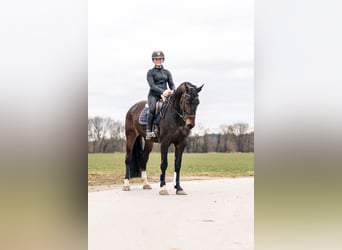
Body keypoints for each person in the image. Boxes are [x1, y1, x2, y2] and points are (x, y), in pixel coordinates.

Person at [146, 50, 175, 139]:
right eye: (156, 59)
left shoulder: (167, 72)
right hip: (154, 95)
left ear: (163, 60)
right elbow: (152, 86)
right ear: (153, 61)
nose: (158, 60)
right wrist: (162, 92)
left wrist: (173, 90)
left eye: (160, 59)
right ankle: (148, 130)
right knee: (152, 109)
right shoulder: (150, 72)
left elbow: (171, 84)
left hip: (166, 95)